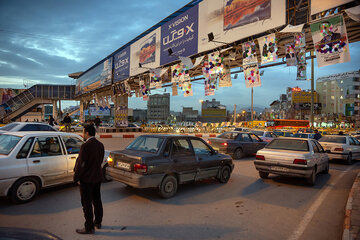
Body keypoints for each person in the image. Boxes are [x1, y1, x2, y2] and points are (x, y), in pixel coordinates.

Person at [74, 125, 105, 234]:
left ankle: (89, 227)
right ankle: (98, 222)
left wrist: (76, 177)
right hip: (97, 177)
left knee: (86, 204)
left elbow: (81, 164)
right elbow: (100, 161)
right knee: (97, 201)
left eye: (83, 132)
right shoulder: (100, 145)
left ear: (87, 133)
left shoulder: (85, 146)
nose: (82, 134)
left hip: (87, 180)